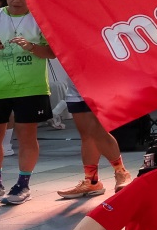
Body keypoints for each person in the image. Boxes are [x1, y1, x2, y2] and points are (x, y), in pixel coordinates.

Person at [0, 0, 54, 206]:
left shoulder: (40, 18)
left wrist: (31, 47)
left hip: (31, 87)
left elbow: (52, 52)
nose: (16, 0)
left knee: (26, 135)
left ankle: (23, 184)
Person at [51, 60, 134, 199]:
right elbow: (50, 53)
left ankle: (122, 172)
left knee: (98, 131)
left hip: (99, 85)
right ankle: (92, 181)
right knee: (86, 135)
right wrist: (32, 49)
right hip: (75, 88)